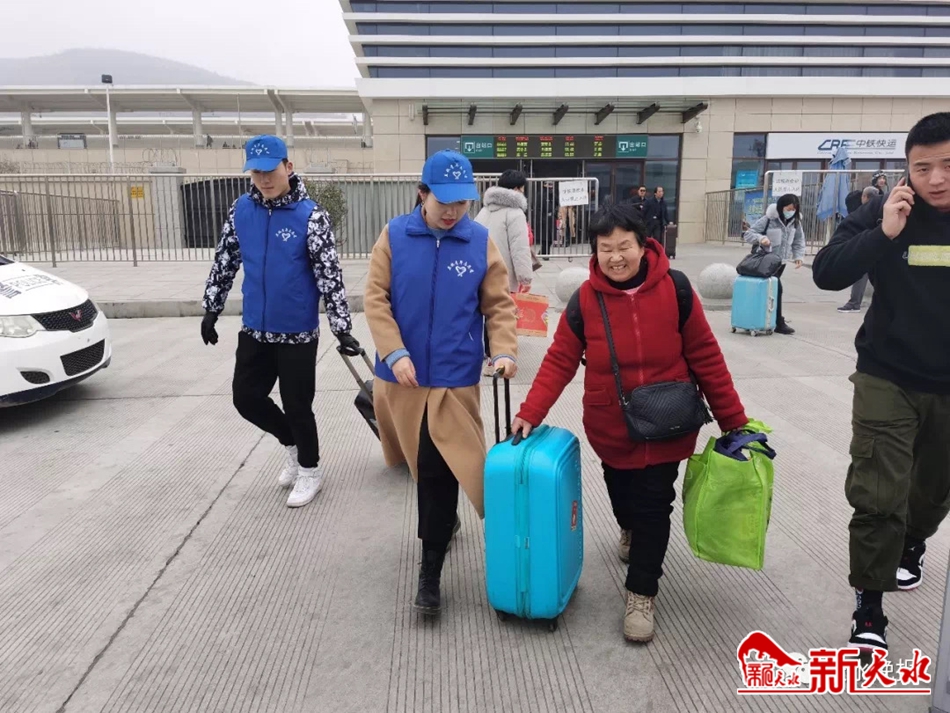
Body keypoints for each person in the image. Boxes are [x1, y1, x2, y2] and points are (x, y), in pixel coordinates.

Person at [510, 202, 748, 643]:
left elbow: (705, 355)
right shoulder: (585, 300)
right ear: (595, 252)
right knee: (624, 497)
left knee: (655, 504)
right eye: (606, 249)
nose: (615, 257)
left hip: (669, 421)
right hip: (612, 425)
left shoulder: (676, 288)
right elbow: (560, 360)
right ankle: (629, 526)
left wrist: (734, 420)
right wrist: (530, 411)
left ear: (643, 245)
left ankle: (641, 592)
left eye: (624, 246)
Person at [812, 112, 950, 654]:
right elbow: (827, 272)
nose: (936, 178)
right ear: (906, 169)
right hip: (886, 374)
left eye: (947, 165)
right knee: (877, 494)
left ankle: (913, 542)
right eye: (923, 167)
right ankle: (869, 605)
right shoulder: (887, 208)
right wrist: (884, 232)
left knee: (933, 492)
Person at [364, 149, 519, 616]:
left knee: (439, 469)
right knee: (422, 467)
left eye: (461, 202)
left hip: (454, 378)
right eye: (443, 201)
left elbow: (498, 304)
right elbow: (375, 298)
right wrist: (394, 352)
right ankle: (444, 525)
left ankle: (430, 571)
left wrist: (504, 349)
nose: (452, 211)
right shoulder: (394, 236)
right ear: (422, 194)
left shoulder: (479, 241)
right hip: (404, 379)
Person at [201, 135, 360, 509]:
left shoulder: (311, 216)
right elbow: (226, 260)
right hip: (254, 327)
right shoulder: (241, 210)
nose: (264, 179)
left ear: (288, 167)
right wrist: (212, 307)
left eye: (270, 171)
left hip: (296, 331)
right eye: (256, 172)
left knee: (297, 405)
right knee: (245, 398)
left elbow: (329, 275)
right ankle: (293, 445)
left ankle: (310, 470)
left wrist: (342, 327)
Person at [475, 169, 532, 375]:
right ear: (517, 189)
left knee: (484, 312)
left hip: (480, 270)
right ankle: (496, 358)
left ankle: (485, 354)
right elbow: (520, 248)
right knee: (501, 313)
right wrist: (525, 276)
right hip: (502, 273)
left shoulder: (484, 211)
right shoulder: (515, 214)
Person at [742, 193, 805, 335]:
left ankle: (767, 319)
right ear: (781, 207)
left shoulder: (795, 222)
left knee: (772, 290)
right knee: (776, 289)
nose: (791, 212)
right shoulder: (769, 219)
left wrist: (798, 256)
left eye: (793, 209)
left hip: (781, 262)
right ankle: (778, 322)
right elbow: (749, 234)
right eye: (788, 209)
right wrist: (761, 238)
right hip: (765, 260)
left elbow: (799, 240)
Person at [838, 186, 882, 313]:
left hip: (867, 248)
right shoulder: (882, 208)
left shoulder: (864, 212)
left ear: (864, 197)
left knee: (861, 275)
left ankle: (854, 303)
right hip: (881, 247)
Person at [643, 186, 674, 254]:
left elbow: (665, 214)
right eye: (659, 191)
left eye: (662, 191)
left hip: (658, 223)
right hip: (649, 223)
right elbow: (643, 212)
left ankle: (656, 252)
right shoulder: (649, 202)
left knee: (657, 238)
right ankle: (645, 251)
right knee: (647, 238)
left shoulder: (664, 203)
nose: (661, 193)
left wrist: (669, 221)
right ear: (655, 193)